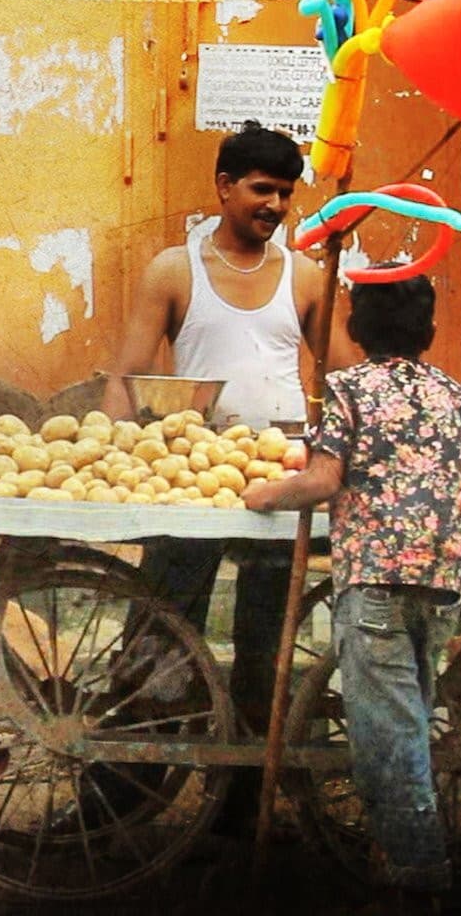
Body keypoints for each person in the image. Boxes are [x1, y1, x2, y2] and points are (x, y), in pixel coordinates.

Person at [242, 271, 461, 898]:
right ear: (428, 329)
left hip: (377, 583)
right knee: (412, 725)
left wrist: (263, 494)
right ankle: (399, 868)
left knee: (389, 750)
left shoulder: (347, 390)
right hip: (442, 579)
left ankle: (420, 882)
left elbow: (321, 481)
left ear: (357, 328)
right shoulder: (451, 392)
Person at [102, 120, 325, 735]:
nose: (276, 206)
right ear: (224, 186)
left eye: (286, 193)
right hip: (192, 480)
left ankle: (243, 805)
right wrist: (117, 460)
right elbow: (127, 376)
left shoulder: (304, 275)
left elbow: (345, 376)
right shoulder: (175, 271)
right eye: (262, 190)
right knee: (160, 634)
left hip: (278, 480)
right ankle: (124, 795)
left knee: (265, 649)